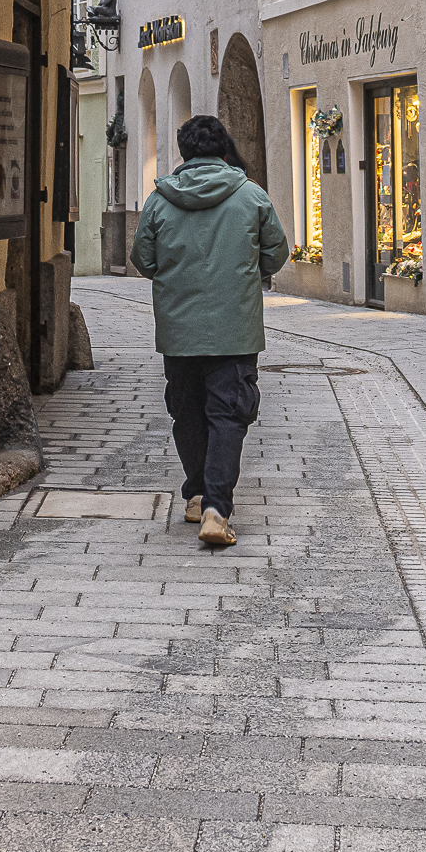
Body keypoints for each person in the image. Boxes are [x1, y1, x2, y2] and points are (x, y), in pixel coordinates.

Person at [128, 113, 290, 546]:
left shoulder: (160, 200)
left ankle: (197, 494)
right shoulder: (251, 196)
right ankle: (217, 508)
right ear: (223, 151)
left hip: (179, 332)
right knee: (228, 415)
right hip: (234, 330)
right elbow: (277, 254)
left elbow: (142, 258)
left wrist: (176, 274)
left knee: (187, 412)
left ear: (183, 154)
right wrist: (242, 272)